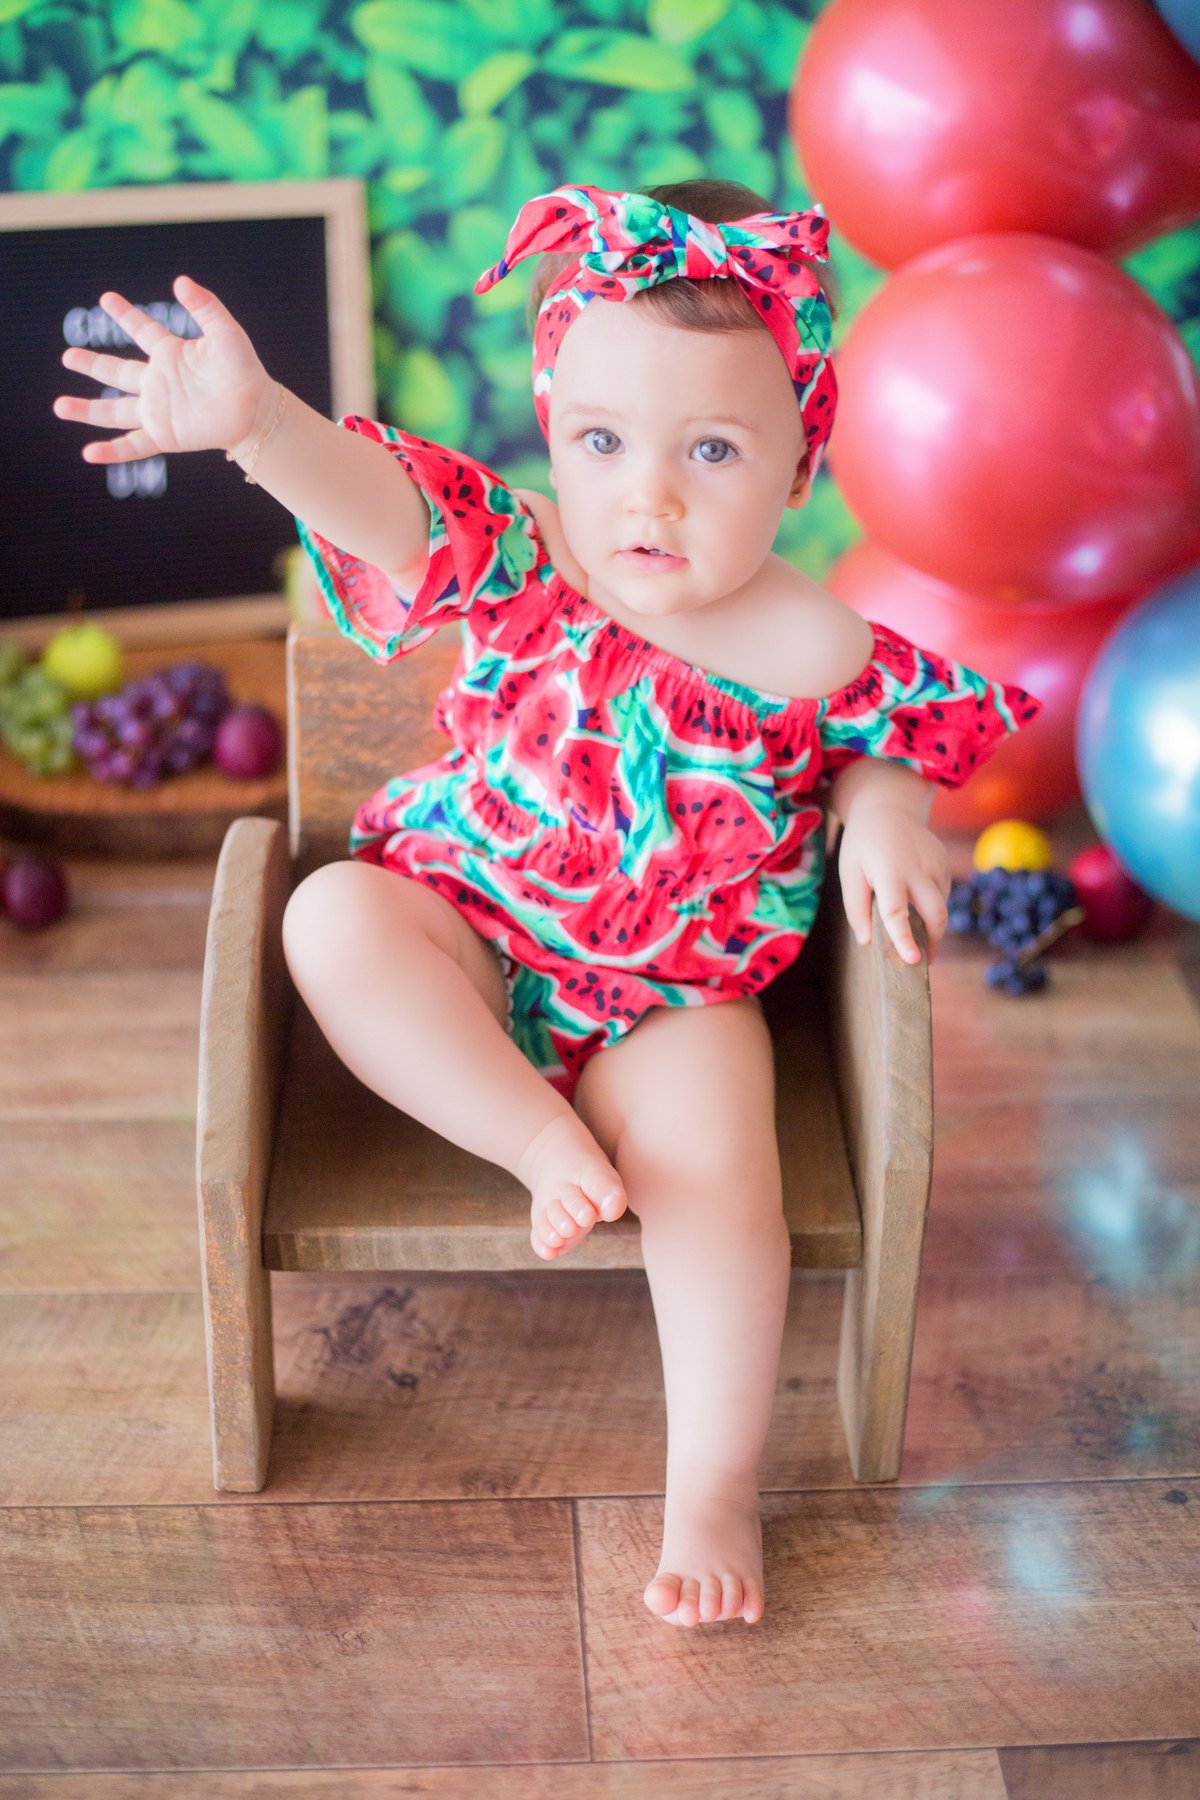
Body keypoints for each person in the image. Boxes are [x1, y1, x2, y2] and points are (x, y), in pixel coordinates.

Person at [54, 179, 1039, 1631]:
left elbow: (899, 740)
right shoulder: (524, 560)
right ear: (551, 439)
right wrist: (264, 429)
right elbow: (387, 510)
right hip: (474, 918)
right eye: (601, 441)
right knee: (329, 917)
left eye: (712, 447)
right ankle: (534, 1138)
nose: (648, 495)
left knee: (723, 1168)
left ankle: (712, 1483)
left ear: (800, 459)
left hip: (673, 989)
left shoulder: (818, 643)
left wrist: (886, 811)